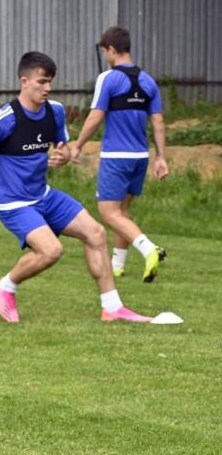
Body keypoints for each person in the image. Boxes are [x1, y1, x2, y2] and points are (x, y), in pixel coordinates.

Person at [0, 52, 152, 325]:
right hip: (14, 204)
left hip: (44, 196)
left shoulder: (55, 111)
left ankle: (112, 307)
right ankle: (6, 286)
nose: (47, 88)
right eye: (42, 82)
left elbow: (64, 149)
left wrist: (64, 156)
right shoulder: (6, 118)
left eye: (50, 83)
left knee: (95, 233)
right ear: (24, 81)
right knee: (51, 250)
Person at [71, 27, 168, 282]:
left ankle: (150, 249)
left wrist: (78, 145)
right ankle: (117, 264)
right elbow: (158, 122)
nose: (105, 57)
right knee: (122, 212)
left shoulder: (108, 78)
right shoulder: (148, 81)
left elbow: (95, 117)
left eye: (105, 52)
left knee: (108, 212)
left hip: (116, 156)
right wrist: (161, 157)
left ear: (112, 50)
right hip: (140, 157)